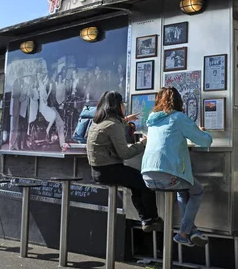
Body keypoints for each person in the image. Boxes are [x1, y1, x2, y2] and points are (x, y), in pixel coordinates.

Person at [141, 87, 213, 247]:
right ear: (179, 101)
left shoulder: (152, 119)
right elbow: (205, 141)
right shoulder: (179, 117)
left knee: (183, 188)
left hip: (147, 176)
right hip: (168, 175)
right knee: (198, 190)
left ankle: (191, 231)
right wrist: (202, 132)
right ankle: (183, 233)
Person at [86, 91, 163, 232]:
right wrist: (142, 144)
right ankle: (152, 218)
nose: (124, 106)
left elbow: (111, 130)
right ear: (117, 105)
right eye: (123, 103)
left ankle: (146, 219)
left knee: (135, 185)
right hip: (110, 170)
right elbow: (125, 153)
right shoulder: (113, 125)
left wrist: (126, 120)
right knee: (145, 183)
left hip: (97, 171)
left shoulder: (98, 122)